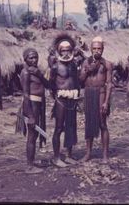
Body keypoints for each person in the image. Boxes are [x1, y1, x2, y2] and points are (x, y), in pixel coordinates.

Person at [79, 36, 113, 164]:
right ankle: (88, 153)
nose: (97, 51)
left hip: (101, 93)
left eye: (99, 48)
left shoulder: (107, 64)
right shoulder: (85, 62)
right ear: (91, 49)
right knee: (89, 124)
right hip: (88, 93)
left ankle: (105, 155)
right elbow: (81, 80)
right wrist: (88, 70)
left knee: (102, 124)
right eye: (94, 48)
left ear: (103, 49)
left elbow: (109, 83)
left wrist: (106, 102)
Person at [49, 33, 80, 167]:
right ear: (59, 51)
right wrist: (57, 97)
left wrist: (77, 95)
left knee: (71, 127)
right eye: (63, 51)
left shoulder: (73, 65)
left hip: (73, 99)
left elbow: (76, 81)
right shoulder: (55, 67)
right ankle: (56, 157)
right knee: (59, 128)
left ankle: (69, 155)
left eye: (68, 50)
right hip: (61, 100)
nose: (66, 53)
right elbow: (51, 85)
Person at [20, 48, 50, 174]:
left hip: (38, 104)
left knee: (35, 135)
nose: (34, 60)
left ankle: (31, 161)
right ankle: (29, 166)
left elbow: (48, 85)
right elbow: (26, 95)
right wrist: (31, 116)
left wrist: (39, 74)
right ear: (25, 59)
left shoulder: (36, 72)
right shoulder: (26, 73)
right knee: (32, 135)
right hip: (31, 104)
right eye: (30, 58)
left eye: (35, 57)